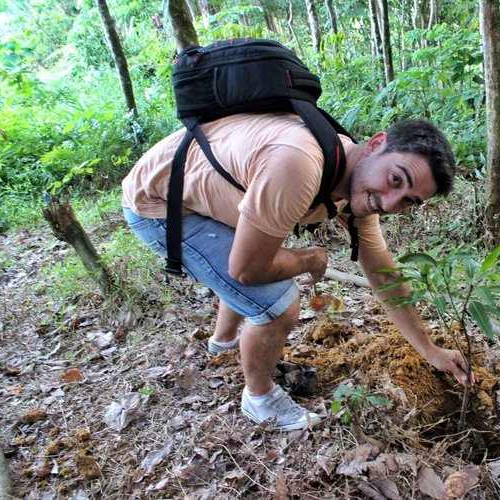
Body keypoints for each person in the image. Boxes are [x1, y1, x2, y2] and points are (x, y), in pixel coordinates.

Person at [121, 112, 473, 431]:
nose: (390, 202)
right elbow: (245, 269)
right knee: (279, 302)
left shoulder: (354, 179)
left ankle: (223, 342)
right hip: (160, 205)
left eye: (409, 201)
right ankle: (260, 400)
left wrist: (429, 350)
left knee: (259, 253)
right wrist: (309, 259)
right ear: (377, 145)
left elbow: (382, 273)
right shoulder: (300, 163)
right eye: (397, 179)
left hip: (202, 192)